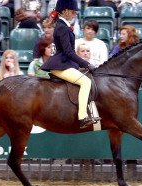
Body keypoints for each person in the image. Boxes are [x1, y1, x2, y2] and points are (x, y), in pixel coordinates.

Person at [41, 0, 99, 129]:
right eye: (72, 11)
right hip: (61, 65)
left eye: (75, 11)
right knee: (86, 82)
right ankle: (82, 117)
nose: (74, 14)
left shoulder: (64, 26)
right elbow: (68, 52)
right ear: (64, 11)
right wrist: (86, 64)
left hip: (65, 63)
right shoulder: (62, 27)